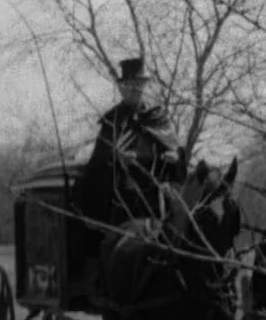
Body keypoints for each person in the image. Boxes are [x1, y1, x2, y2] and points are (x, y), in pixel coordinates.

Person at [71, 57, 185, 296]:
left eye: (139, 84)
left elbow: (177, 162)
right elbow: (97, 167)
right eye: (130, 85)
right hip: (122, 198)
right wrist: (117, 161)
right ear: (121, 87)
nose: (135, 89)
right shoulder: (112, 122)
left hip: (157, 197)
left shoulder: (158, 118)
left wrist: (175, 159)